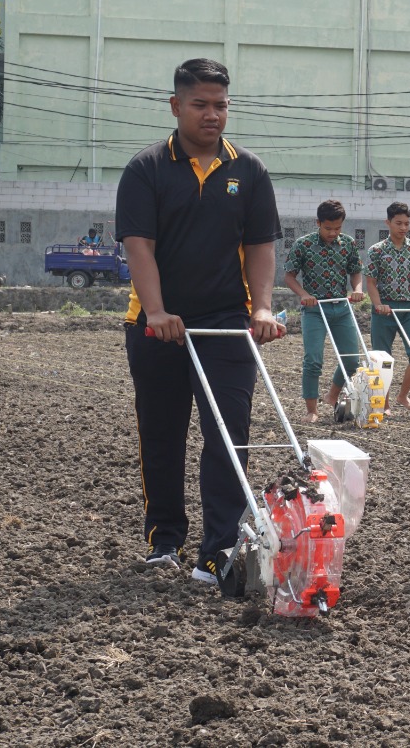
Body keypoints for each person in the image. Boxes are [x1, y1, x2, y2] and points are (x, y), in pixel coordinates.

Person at [115, 58, 284, 585]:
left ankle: (218, 551)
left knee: (228, 436)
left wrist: (261, 307)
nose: (213, 116)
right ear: (176, 106)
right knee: (161, 434)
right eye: (201, 105)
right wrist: (159, 310)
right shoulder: (147, 169)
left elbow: (259, 246)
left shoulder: (248, 170)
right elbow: (139, 247)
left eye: (221, 106)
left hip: (227, 325)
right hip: (157, 324)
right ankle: (164, 539)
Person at [284, 199, 367, 423]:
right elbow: (289, 276)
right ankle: (311, 410)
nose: (333, 233)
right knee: (313, 359)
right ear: (318, 222)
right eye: (328, 228)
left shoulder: (348, 244)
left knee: (351, 360)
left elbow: (356, 272)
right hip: (315, 310)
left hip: (341, 307)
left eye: (337, 228)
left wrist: (357, 289)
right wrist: (304, 295)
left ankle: (332, 396)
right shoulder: (304, 245)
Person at [365, 201, 410, 413]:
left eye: (406, 223)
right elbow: (371, 283)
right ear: (388, 222)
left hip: (409, 309)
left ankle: (402, 395)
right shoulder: (376, 250)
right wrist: (378, 305)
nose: (403, 228)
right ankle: (382, 402)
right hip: (384, 310)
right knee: (383, 358)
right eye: (398, 223)